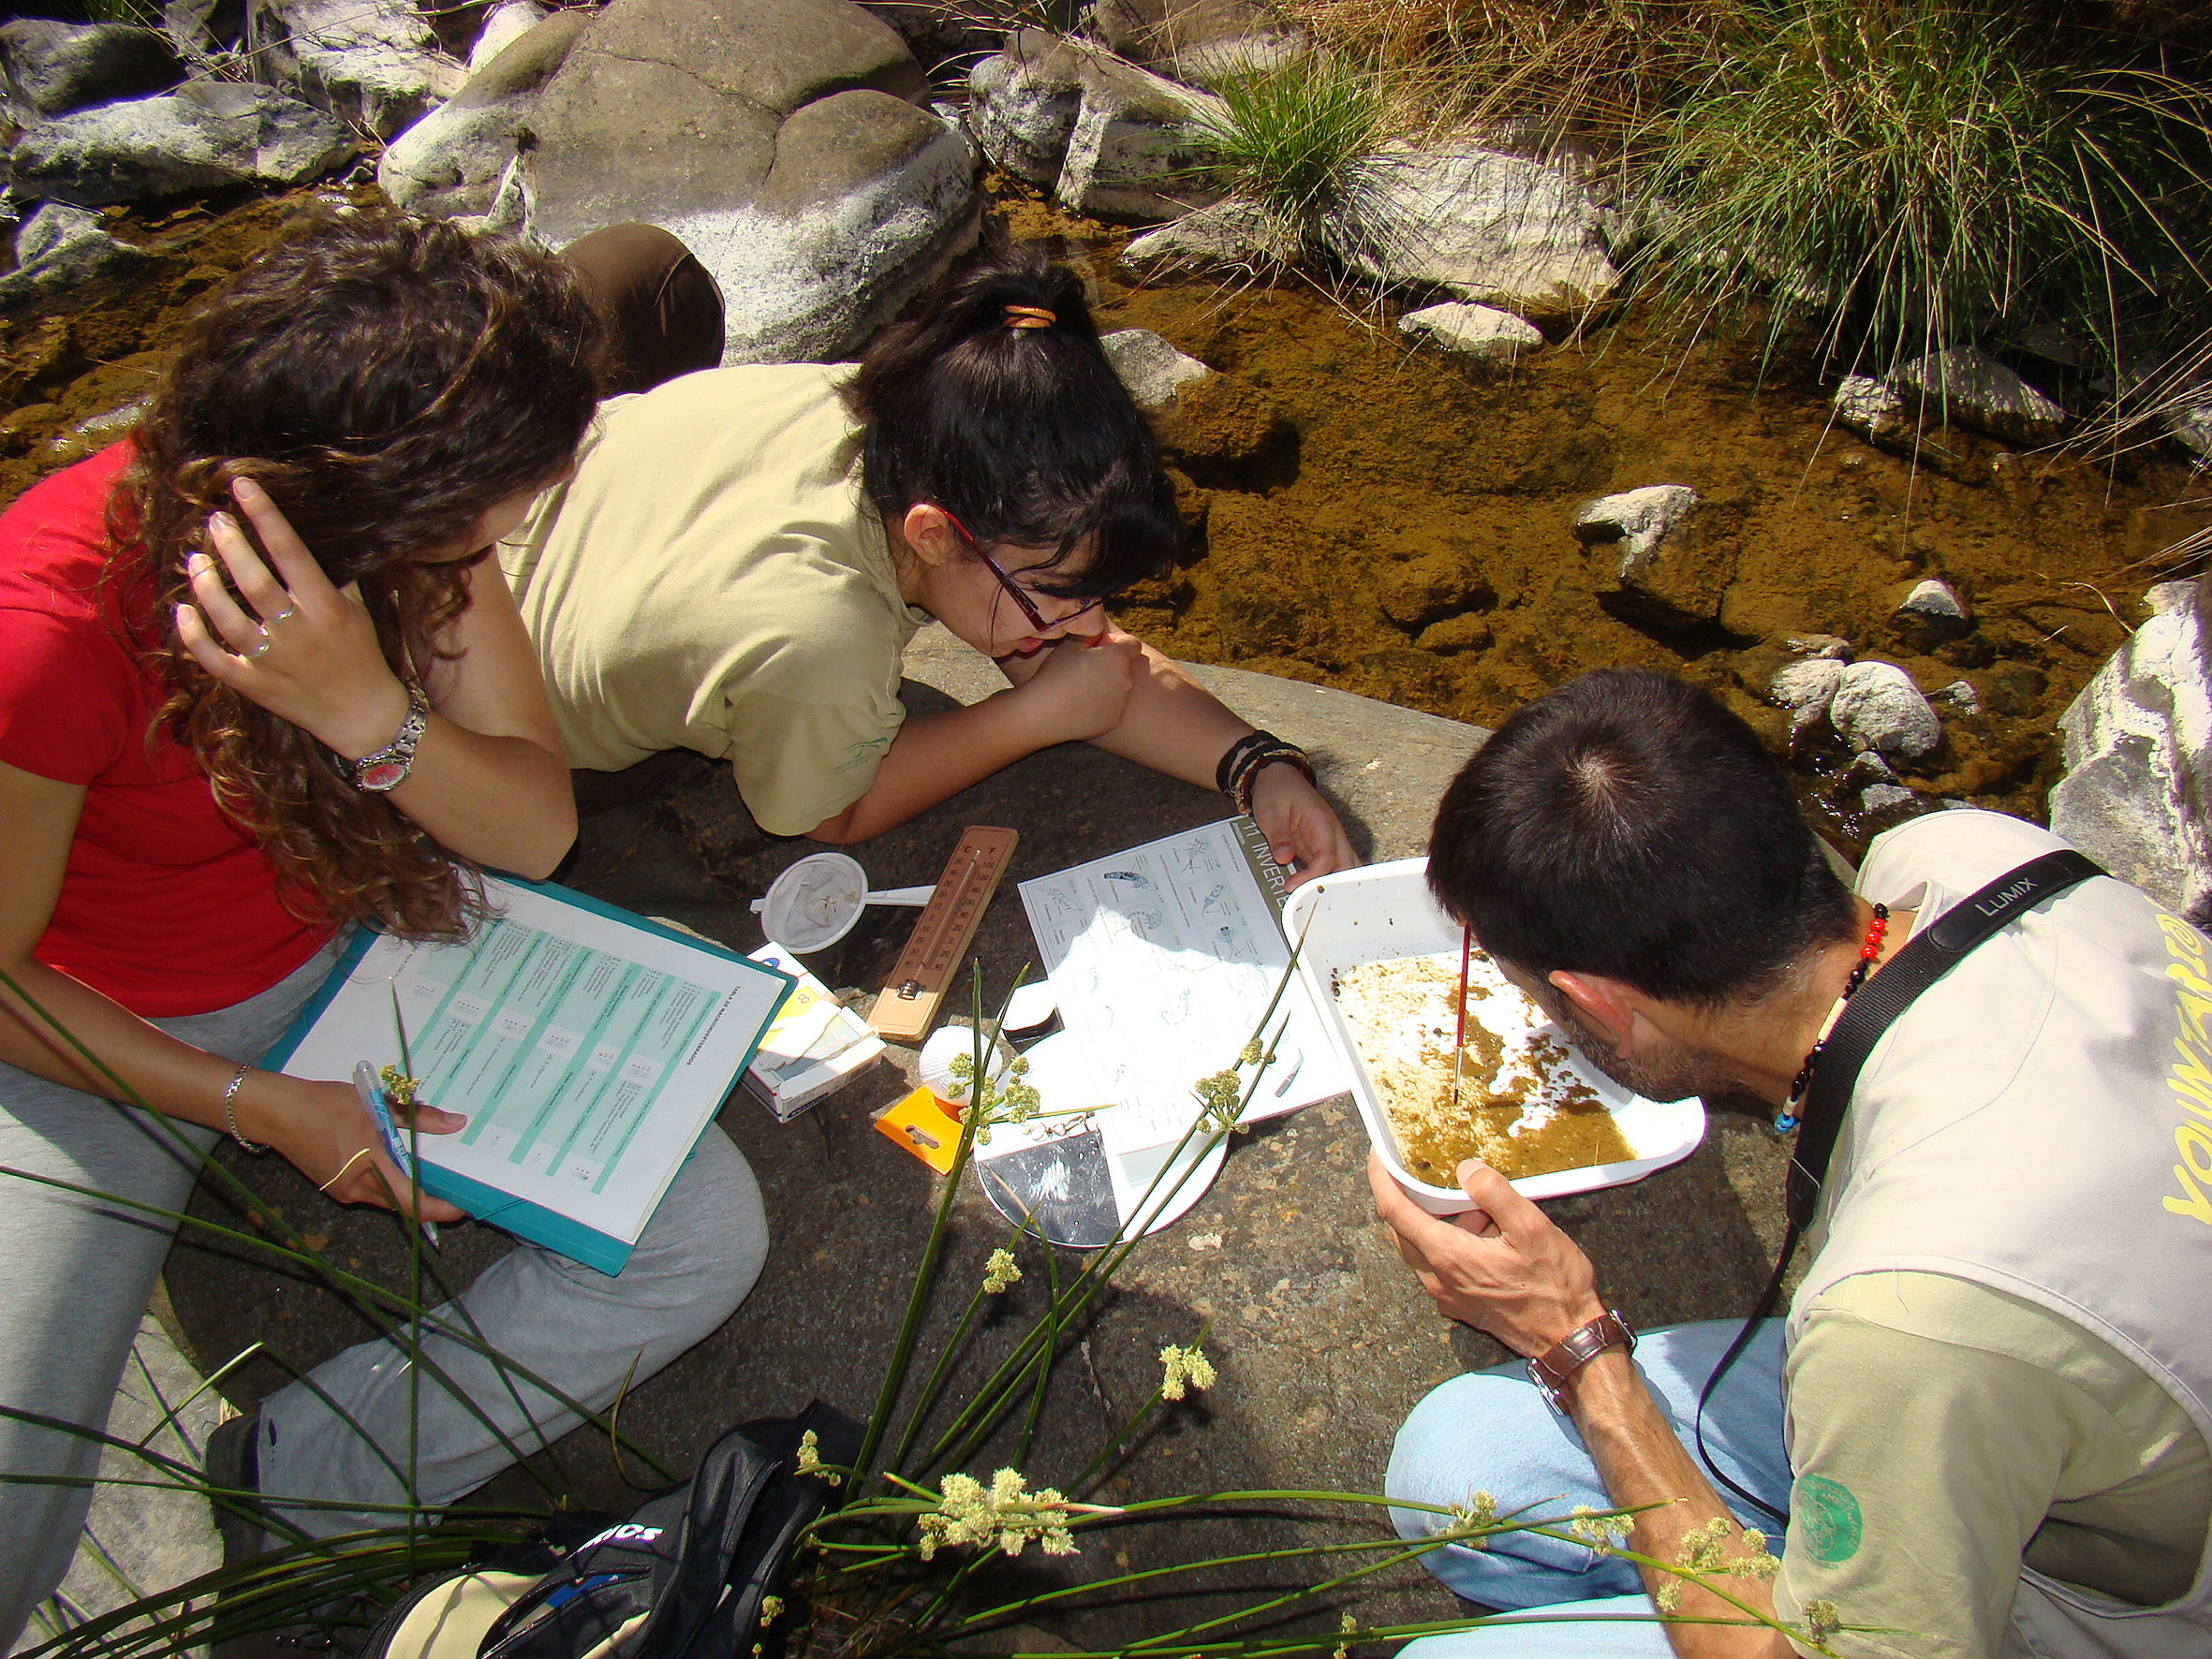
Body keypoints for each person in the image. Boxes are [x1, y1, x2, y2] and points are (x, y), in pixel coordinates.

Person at [0, 209, 768, 1645]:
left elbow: (532, 827)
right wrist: (260, 1107)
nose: (509, 535)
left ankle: (307, 1478)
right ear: (378, 488)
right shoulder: (44, 627)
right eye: (498, 509)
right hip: (113, 1028)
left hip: (370, 946)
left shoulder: (412, 550)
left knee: (698, 1237)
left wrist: (366, 712)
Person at [1372, 668, 2212, 1658]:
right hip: (2074, 1392)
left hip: (2125, 1587)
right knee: (1465, 1469)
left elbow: (1918, 1344)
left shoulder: (1904, 1315)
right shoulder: (1969, 857)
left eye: (1538, 997)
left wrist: (1576, 1345)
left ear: (1598, 1002)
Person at [497, 250, 1357, 888]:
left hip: (539, 500)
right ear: (935, 534)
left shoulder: (907, 402)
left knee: (651, 274)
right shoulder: (820, 643)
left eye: (1095, 600)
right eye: (1056, 597)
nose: (1092, 628)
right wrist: (1030, 718)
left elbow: (1092, 667)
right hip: (513, 715)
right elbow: (828, 816)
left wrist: (1260, 766)